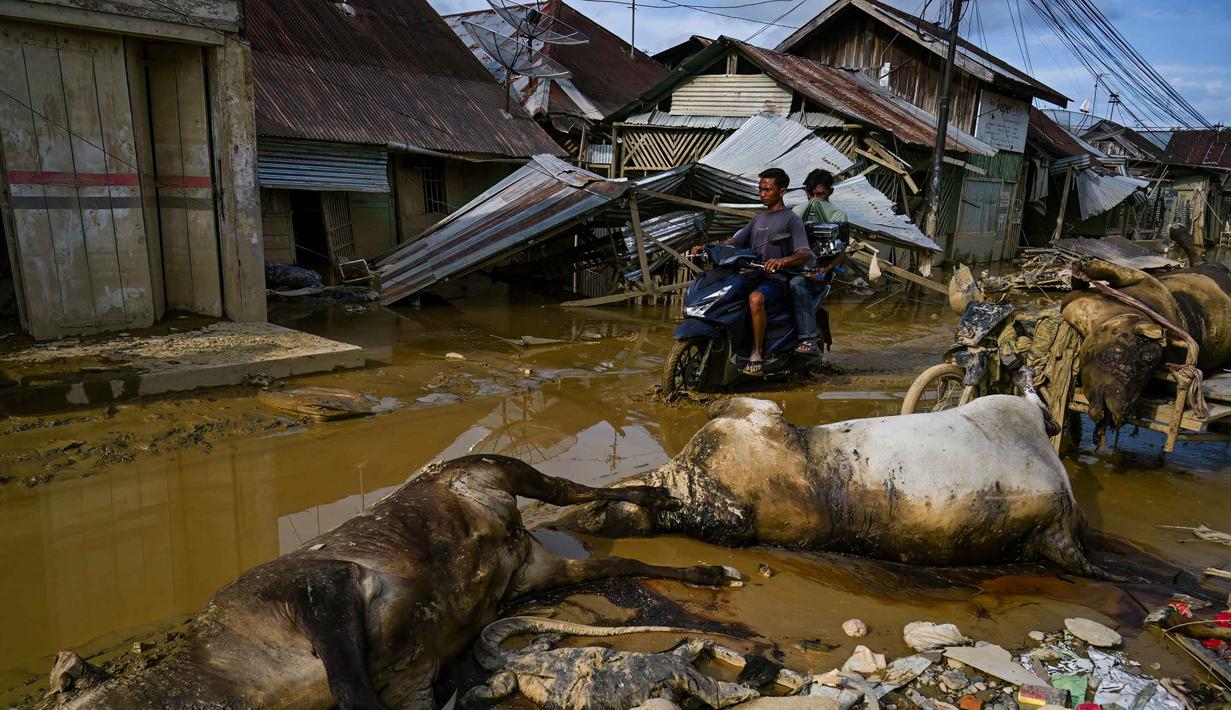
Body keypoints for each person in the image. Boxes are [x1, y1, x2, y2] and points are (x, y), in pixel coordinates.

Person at [690, 168, 811, 375]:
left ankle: (756, 353)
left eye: (767, 190)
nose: (762, 194)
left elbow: (804, 252)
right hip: (752, 276)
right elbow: (734, 242)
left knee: (755, 299)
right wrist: (708, 247)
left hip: (776, 280)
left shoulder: (791, 219)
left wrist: (782, 261)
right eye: (760, 189)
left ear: (782, 191)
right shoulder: (758, 219)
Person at [790, 169, 848, 355]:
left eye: (820, 194)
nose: (815, 200)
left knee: (797, 284)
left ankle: (809, 337)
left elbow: (841, 251)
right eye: (812, 193)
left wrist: (825, 269)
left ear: (829, 192)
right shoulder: (795, 213)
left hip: (816, 273)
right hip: (792, 267)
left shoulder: (837, 216)